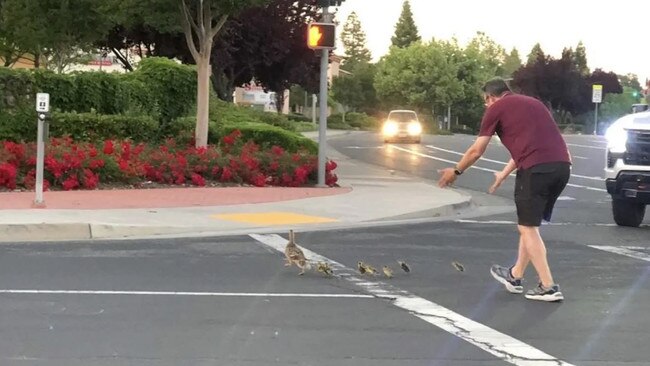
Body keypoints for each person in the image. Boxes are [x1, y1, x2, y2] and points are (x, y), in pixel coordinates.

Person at [437, 78, 571, 302]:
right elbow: (531, 145)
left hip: (536, 170)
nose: (486, 105)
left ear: (490, 97)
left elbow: (476, 150)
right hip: (561, 167)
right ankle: (515, 275)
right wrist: (503, 174)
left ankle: (548, 286)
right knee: (530, 225)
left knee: (527, 228)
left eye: (485, 101)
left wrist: (456, 171)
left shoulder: (496, 108)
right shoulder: (534, 104)